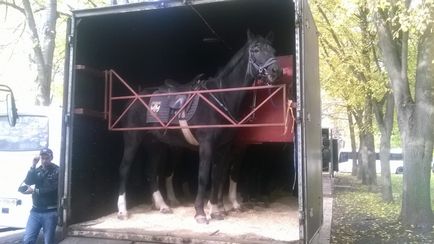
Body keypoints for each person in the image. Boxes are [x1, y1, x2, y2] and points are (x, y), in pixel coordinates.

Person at [20, 148, 59, 244]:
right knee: (28, 240)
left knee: (48, 241)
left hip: (50, 212)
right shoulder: (38, 170)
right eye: (42, 158)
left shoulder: (57, 170)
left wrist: (34, 190)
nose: (44, 161)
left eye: (47, 158)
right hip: (35, 211)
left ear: (51, 158)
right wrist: (33, 165)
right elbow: (28, 181)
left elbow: (53, 189)